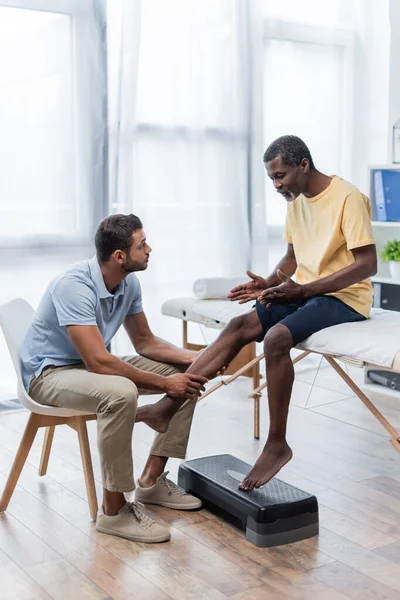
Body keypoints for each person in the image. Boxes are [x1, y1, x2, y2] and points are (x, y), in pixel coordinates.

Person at [137, 134, 377, 490]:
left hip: (345, 296)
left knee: (277, 338)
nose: (277, 185)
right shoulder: (296, 201)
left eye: (280, 176)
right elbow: (293, 260)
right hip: (306, 291)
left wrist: (305, 289)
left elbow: (367, 264)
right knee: (238, 325)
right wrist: (266, 283)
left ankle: (277, 443)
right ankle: (166, 408)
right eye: (272, 179)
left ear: (304, 165)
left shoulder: (348, 197)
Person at [21, 213, 212, 543]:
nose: (149, 249)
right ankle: (113, 512)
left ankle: (151, 482)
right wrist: (165, 385)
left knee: (187, 374)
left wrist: (195, 359)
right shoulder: (74, 286)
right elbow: (97, 361)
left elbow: (145, 342)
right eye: (142, 244)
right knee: (121, 392)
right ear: (119, 256)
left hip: (85, 367)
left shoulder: (128, 283)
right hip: (50, 374)